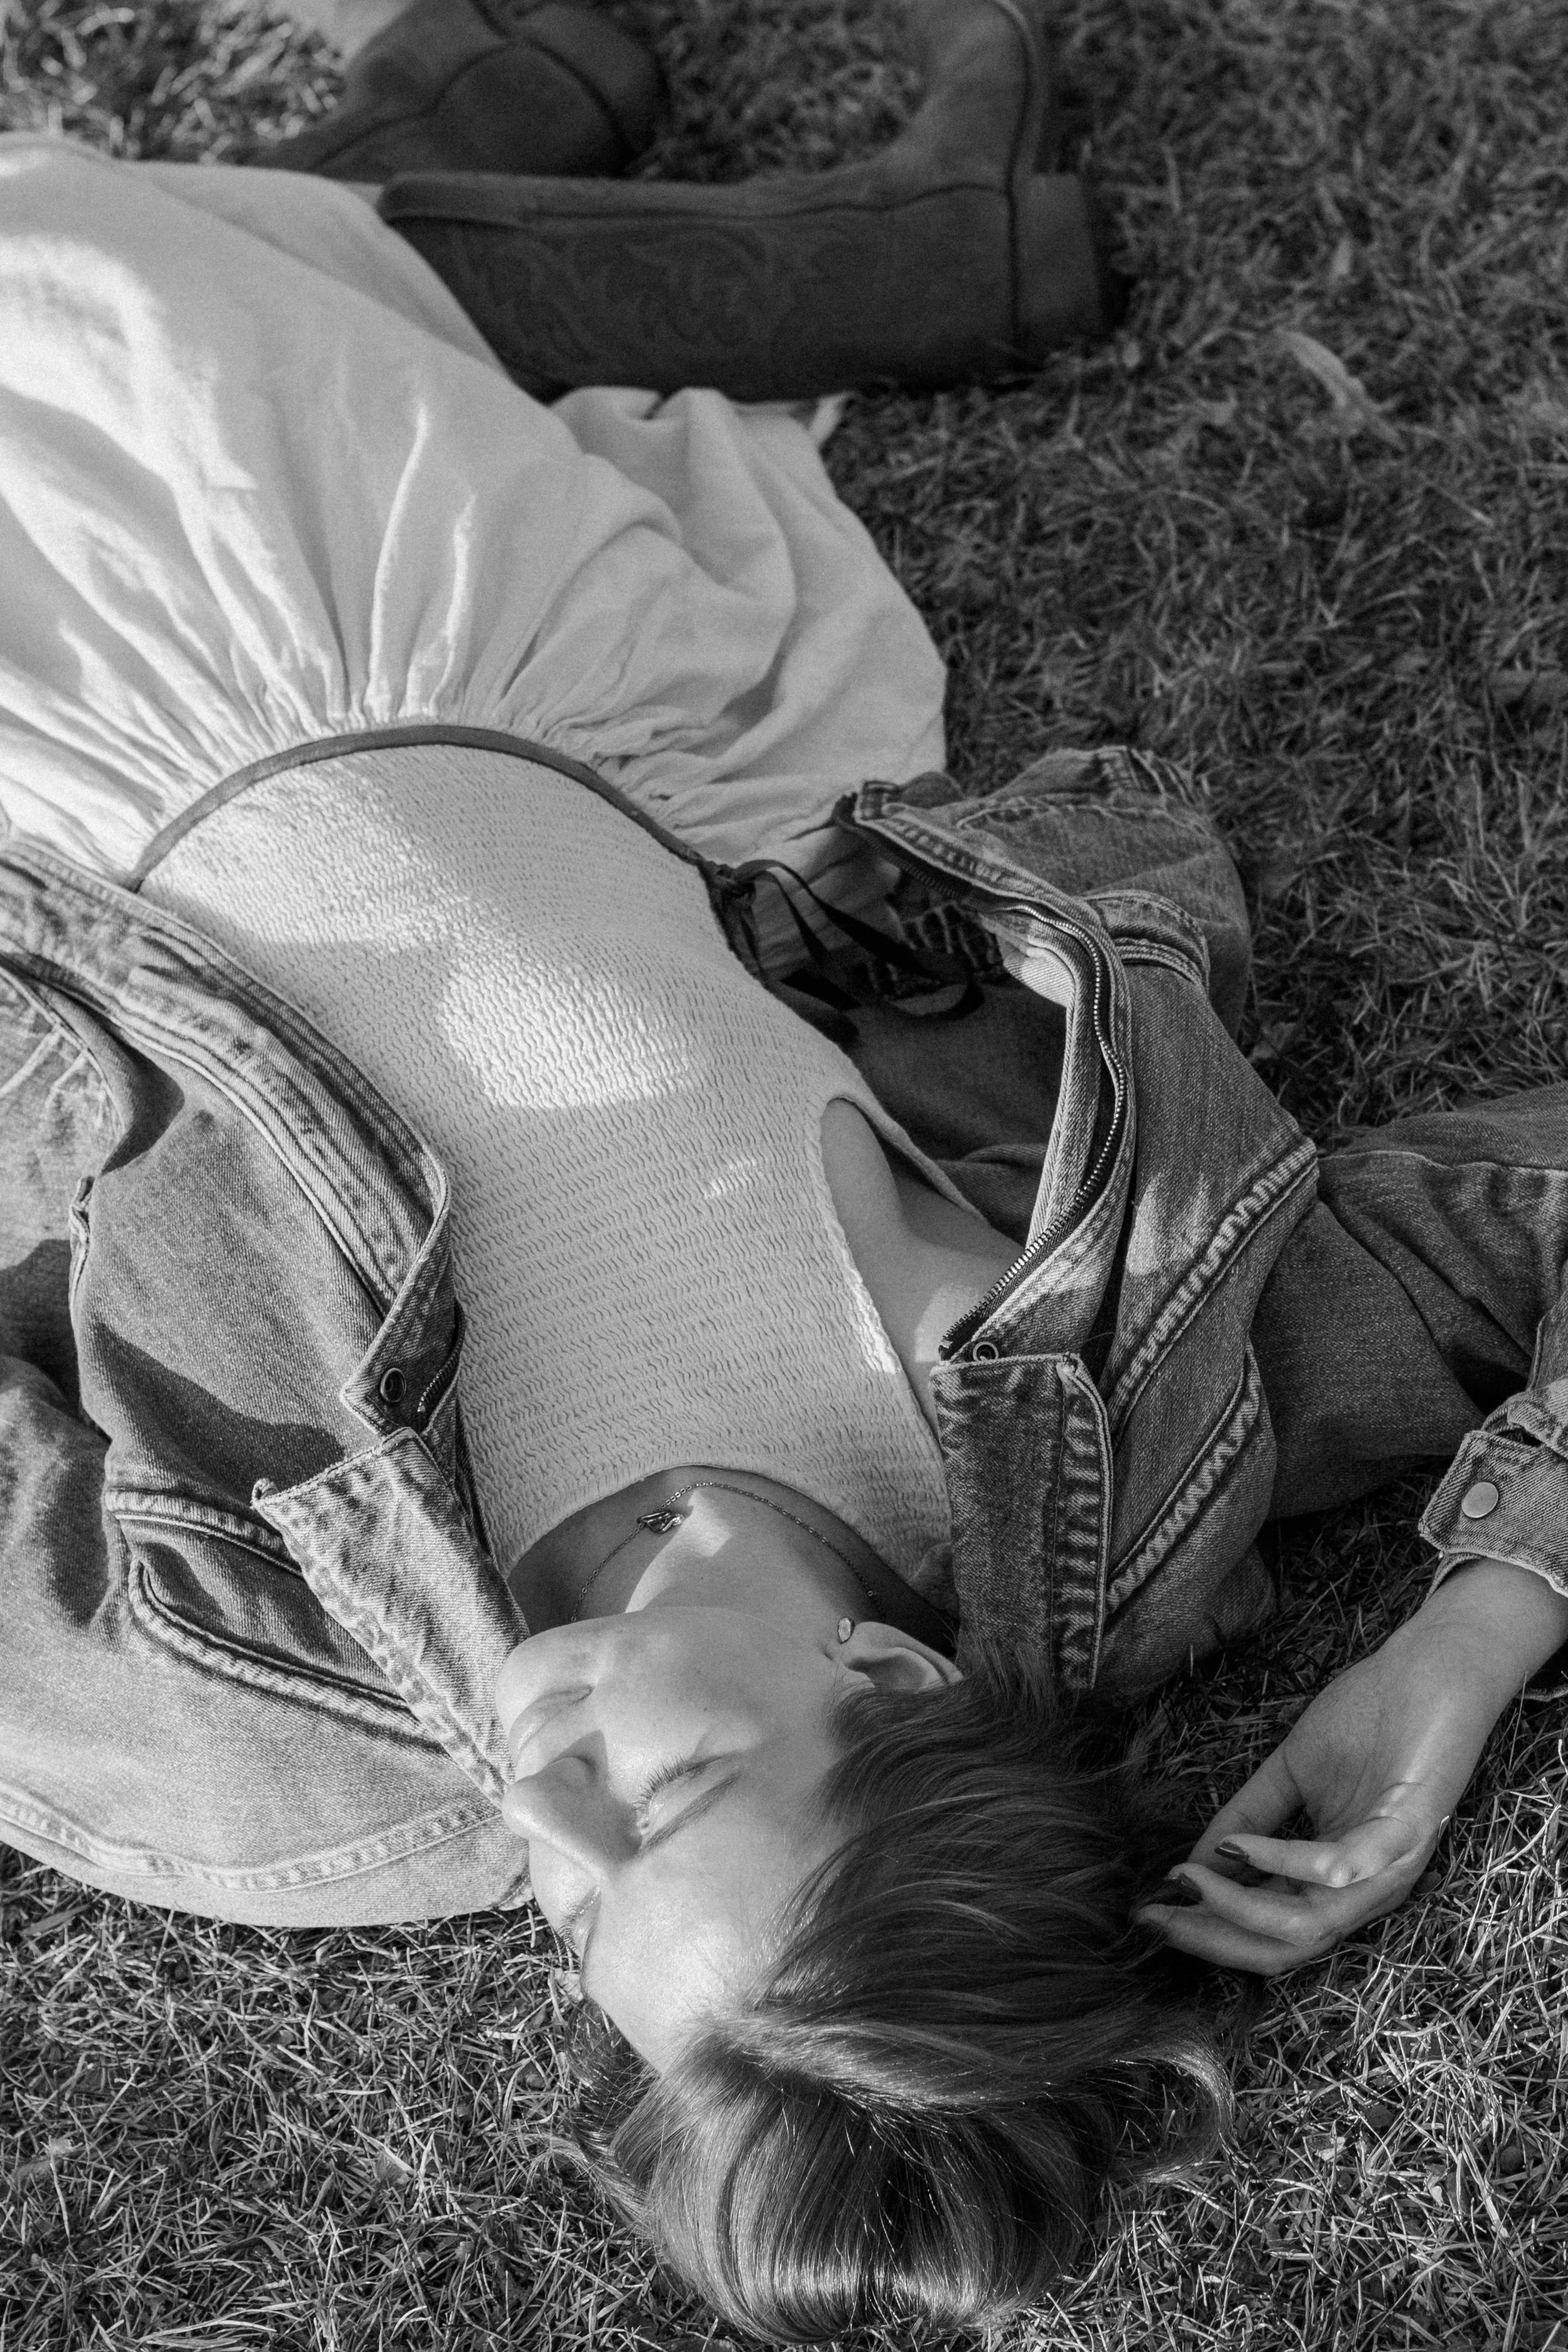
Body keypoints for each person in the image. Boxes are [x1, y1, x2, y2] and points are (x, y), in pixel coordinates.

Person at [2, 5, 1567, 2341]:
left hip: (54, 827)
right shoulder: (1095, 1468)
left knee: (105, 275)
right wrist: (1473, 1629)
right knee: (132, 289)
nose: (545, 1803)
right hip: (467, 655)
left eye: (568, 1912)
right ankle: (764, 219)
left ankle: (730, 200)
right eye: (678, 1784)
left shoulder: (258, 1759)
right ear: (876, 1667)